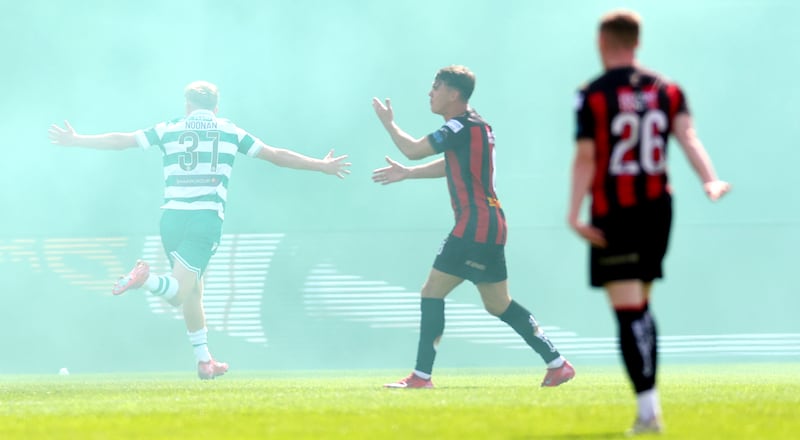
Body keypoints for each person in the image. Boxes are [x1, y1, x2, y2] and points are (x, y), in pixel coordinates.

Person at [48, 80, 351, 379]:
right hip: (204, 218)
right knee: (179, 293)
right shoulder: (230, 130)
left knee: (194, 290)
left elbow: (122, 140)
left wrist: (78, 139)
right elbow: (275, 156)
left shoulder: (169, 128)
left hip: (171, 219)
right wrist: (320, 165)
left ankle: (205, 361)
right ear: (216, 108)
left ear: (188, 106)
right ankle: (146, 279)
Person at [568, 10, 731, 434]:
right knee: (639, 303)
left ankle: (647, 412)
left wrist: (573, 213)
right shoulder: (667, 89)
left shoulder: (591, 93)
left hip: (615, 211)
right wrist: (710, 180)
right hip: (659, 209)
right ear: (637, 42)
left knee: (627, 309)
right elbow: (688, 137)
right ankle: (649, 407)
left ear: (602, 42)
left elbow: (586, 157)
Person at [372, 65, 575, 389]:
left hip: (474, 224)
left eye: (436, 87)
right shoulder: (475, 124)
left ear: (453, 93)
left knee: (431, 291)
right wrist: (409, 175)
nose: (430, 92)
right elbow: (451, 164)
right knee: (498, 304)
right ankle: (557, 363)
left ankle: (421, 377)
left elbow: (411, 149)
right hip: (492, 224)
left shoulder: (458, 127)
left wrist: (389, 124)